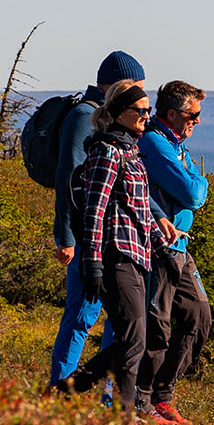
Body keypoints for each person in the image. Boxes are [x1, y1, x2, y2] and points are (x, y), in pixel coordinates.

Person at [52, 79, 180, 418]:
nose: (146, 116)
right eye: (139, 111)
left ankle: (67, 391)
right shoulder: (106, 152)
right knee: (133, 339)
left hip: (138, 256)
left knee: (131, 337)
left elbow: (137, 210)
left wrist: (159, 237)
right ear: (119, 113)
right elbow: (95, 211)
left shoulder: (131, 151)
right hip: (114, 256)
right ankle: (123, 418)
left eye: (148, 111)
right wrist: (91, 264)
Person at [47, 51, 147, 392]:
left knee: (117, 326)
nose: (139, 95)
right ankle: (59, 389)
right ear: (118, 84)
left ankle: (105, 397)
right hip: (90, 241)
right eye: (135, 85)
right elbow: (68, 177)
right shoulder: (83, 116)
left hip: (107, 241)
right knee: (81, 316)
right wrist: (67, 237)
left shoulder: (106, 122)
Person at [136, 81, 213, 425]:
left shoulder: (176, 144)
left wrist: (196, 182)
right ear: (172, 114)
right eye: (192, 115)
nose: (197, 121)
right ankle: (142, 402)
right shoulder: (154, 142)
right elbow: (194, 192)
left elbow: (197, 186)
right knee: (158, 326)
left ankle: (162, 395)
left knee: (199, 316)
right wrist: (195, 182)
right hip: (160, 248)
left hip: (181, 247)